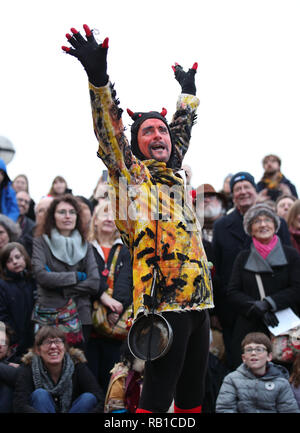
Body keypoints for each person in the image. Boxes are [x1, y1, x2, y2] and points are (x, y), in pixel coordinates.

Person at [62, 24, 213, 413]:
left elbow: (181, 132)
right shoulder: (130, 176)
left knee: (194, 395)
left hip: (199, 304)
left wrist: (189, 94)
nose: (160, 135)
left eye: (161, 130)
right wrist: (98, 80)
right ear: (136, 144)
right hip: (163, 303)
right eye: (148, 131)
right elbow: (109, 133)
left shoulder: (173, 172)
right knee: (158, 395)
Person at [212, 171, 291, 369]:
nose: (243, 192)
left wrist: (272, 303)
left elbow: (289, 267)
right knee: (239, 368)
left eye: (247, 187)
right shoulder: (221, 226)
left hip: (276, 313)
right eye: (238, 189)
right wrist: (217, 311)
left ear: (255, 190)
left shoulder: (275, 222)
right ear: (232, 195)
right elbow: (217, 271)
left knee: (279, 368)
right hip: (236, 311)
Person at [227, 203, 300, 368]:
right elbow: (232, 292)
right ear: (250, 229)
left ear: (275, 225)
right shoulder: (242, 257)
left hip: (284, 329)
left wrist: (268, 303)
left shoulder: (291, 255)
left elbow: (297, 289)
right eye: (256, 221)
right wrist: (256, 308)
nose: (263, 224)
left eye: (267, 219)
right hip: (250, 328)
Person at [32, 194, 100, 349]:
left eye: (72, 212)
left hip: (81, 317)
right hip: (49, 317)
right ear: (52, 216)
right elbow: (42, 277)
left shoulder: (86, 245)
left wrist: (61, 286)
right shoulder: (41, 242)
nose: (67, 216)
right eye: (62, 212)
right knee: (48, 367)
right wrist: (77, 276)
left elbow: (94, 283)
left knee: (76, 367)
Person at [86, 200, 133, 393]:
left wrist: (117, 307)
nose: (108, 219)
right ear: (94, 220)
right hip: (89, 325)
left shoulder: (125, 248)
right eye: (104, 214)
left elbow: (128, 280)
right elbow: (85, 279)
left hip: (116, 327)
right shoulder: (85, 248)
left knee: (112, 385)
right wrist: (105, 302)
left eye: (113, 215)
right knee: (89, 383)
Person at [13, 326, 104, 413]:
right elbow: (20, 405)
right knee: (40, 395)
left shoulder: (77, 366)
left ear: (64, 347)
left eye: (58, 342)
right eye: (47, 342)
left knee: (88, 398)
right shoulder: (29, 368)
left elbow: (99, 398)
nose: (53, 346)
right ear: (38, 350)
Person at [215, 332, 299, 413]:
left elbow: (289, 410)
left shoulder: (281, 382)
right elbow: (225, 408)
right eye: (249, 350)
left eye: (259, 349)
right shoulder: (231, 380)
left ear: (269, 356)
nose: (253, 353)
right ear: (244, 358)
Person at [0, 242, 36, 358]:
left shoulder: (33, 280)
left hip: (35, 337)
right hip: (16, 342)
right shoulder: (3, 286)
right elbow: (2, 316)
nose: (15, 262)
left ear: (25, 257)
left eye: (17, 257)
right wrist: (12, 338)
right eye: (9, 261)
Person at [0, 322, 20, 413]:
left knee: (7, 386)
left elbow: (18, 376)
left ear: (8, 350)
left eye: (4, 343)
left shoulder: (17, 362)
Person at [16, 190, 35, 256]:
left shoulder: (33, 226)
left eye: (26, 202)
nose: (23, 204)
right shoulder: (2, 220)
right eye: (20, 200)